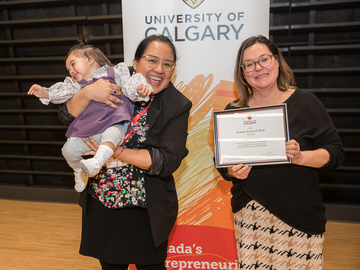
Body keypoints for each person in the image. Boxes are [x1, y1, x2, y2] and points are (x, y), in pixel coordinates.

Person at [58, 34, 192, 270]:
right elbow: (66, 114)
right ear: (136, 62)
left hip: (146, 210)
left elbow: (165, 160)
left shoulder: (176, 104)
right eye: (152, 60)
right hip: (103, 202)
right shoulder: (113, 80)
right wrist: (88, 93)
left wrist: (114, 152)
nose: (158, 69)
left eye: (167, 64)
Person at [216, 35, 344, 269]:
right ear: (243, 72)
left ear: (276, 62)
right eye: (249, 64)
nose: (258, 68)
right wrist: (233, 172)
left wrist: (301, 157)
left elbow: (335, 154)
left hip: (300, 216)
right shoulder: (233, 111)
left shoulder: (306, 103)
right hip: (252, 217)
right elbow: (223, 165)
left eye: (264, 59)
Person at [28, 34, 152, 192]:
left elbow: (131, 85)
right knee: (68, 150)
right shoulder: (76, 85)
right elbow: (60, 92)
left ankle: (95, 163)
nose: (71, 71)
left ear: (91, 59)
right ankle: (79, 172)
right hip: (90, 127)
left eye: (73, 64)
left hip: (115, 121)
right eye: (69, 69)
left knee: (112, 135)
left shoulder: (116, 71)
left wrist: (140, 89)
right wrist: (45, 92)